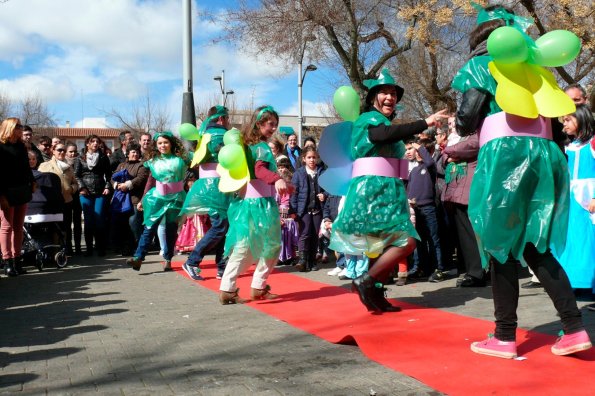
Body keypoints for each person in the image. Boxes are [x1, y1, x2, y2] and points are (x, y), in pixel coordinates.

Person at [452, 4, 591, 358]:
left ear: (482, 37)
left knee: (500, 243)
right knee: (534, 244)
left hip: (506, 155)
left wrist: (466, 123)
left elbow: (467, 117)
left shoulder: (483, 64)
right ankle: (574, 328)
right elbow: (557, 118)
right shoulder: (537, 69)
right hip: (544, 156)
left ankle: (504, 336)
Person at [326, 68, 447, 313]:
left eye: (393, 93)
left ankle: (374, 293)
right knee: (407, 241)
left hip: (385, 189)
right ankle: (367, 281)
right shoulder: (369, 120)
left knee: (380, 245)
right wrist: (425, 121)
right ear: (372, 98)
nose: (390, 97)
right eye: (384, 92)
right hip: (373, 190)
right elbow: (384, 135)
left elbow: (391, 135)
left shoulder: (382, 121)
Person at [218, 105, 293, 304]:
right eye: (270, 124)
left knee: (246, 246)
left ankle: (229, 288)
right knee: (270, 245)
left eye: (276, 125)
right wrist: (277, 178)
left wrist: (282, 183)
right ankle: (255, 287)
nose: (274, 128)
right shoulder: (260, 147)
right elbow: (259, 170)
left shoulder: (250, 145)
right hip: (259, 204)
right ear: (259, 124)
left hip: (250, 202)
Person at [181, 105, 233, 280]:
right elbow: (226, 157)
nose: (229, 121)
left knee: (224, 226)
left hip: (209, 185)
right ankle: (192, 261)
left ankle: (222, 266)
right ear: (221, 119)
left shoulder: (204, 135)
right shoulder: (220, 135)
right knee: (220, 226)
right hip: (217, 186)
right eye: (227, 118)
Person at [126, 132, 187, 271]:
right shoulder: (153, 161)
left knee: (171, 231)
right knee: (149, 227)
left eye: (165, 142)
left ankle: (168, 259)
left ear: (171, 143)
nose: (162, 145)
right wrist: (142, 199)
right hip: (157, 198)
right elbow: (151, 181)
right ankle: (138, 258)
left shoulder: (180, 160)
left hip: (175, 198)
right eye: (159, 143)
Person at [557, 105, 595, 295]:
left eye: (568, 120)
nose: (565, 124)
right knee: (573, 238)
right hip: (570, 196)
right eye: (564, 120)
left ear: (582, 119)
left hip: (588, 197)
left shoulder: (593, 143)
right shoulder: (568, 145)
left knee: (588, 239)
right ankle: (575, 280)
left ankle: (588, 280)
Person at [440, 133, 486, 287]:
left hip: (470, 193)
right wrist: (450, 155)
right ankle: (474, 271)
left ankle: (477, 273)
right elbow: (443, 160)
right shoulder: (463, 137)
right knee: (466, 237)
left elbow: (467, 147)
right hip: (458, 193)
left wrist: (449, 151)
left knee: (473, 235)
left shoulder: (479, 133)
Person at [405, 139, 448, 282]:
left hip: (428, 208)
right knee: (420, 241)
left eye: (417, 150)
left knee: (433, 239)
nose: (416, 153)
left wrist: (419, 146)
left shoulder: (430, 166)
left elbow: (429, 162)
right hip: (415, 209)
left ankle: (439, 269)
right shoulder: (414, 170)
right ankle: (421, 267)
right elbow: (409, 188)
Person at [0, 118, 35, 276]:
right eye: (18, 126)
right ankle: (7, 262)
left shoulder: (21, 146)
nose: (21, 129)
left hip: (22, 190)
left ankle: (17, 261)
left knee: (18, 227)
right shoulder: (1, 147)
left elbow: (26, 168)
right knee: (6, 227)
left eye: (21, 126)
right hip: (6, 192)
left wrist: (32, 182)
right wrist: (1, 196)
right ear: (10, 128)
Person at [74, 134, 112, 256]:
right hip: (85, 193)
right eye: (92, 141)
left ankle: (101, 247)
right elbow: (76, 175)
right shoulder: (80, 157)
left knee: (100, 219)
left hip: (100, 192)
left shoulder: (103, 157)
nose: (95, 143)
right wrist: (82, 187)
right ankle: (89, 248)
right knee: (89, 221)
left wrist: (107, 186)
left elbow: (109, 175)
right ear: (87, 144)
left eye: (97, 141)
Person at [38, 142, 79, 255]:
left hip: (66, 201)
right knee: (53, 227)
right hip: (51, 202)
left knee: (66, 227)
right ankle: (53, 251)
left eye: (64, 151)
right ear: (53, 150)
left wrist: (71, 189)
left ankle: (64, 250)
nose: (62, 152)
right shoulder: (44, 166)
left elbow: (75, 183)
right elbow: (39, 183)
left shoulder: (69, 167)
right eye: (59, 150)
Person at [290, 146, 326, 272]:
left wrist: (324, 195)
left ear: (317, 158)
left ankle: (312, 261)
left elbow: (328, 188)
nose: (312, 160)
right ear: (304, 159)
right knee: (304, 234)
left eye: (314, 157)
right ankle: (302, 260)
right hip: (303, 210)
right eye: (309, 157)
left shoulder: (321, 172)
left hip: (317, 209)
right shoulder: (298, 173)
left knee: (315, 235)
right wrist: (293, 211)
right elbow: (294, 193)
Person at [111, 142, 149, 256]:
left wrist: (127, 185)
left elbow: (141, 179)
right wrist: (116, 184)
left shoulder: (142, 165)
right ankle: (125, 247)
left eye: (137, 152)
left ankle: (138, 247)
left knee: (134, 224)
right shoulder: (121, 165)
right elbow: (112, 177)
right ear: (128, 153)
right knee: (122, 225)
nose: (135, 154)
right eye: (133, 152)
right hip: (121, 201)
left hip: (135, 200)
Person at [64, 142, 83, 255]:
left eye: (75, 151)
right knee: (67, 222)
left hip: (77, 194)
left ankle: (78, 246)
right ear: (66, 152)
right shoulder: (62, 163)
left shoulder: (80, 161)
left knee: (77, 222)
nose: (73, 154)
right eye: (70, 151)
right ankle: (68, 246)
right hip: (67, 194)